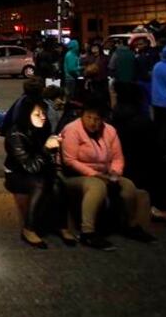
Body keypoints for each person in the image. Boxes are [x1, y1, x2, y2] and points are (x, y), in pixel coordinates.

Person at [60, 98, 157, 250]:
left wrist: (115, 173)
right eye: (89, 117)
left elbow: (118, 157)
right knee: (97, 187)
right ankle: (88, 232)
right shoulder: (72, 130)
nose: (93, 122)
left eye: (97, 119)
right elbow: (70, 160)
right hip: (75, 175)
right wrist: (94, 174)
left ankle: (130, 225)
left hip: (105, 174)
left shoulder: (110, 131)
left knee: (128, 186)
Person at [4, 97, 75, 248]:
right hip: (17, 174)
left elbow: (45, 163)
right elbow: (30, 167)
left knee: (57, 184)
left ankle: (62, 226)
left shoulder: (43, 129)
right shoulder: (15, 135)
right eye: (37, 114)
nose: (43, 117)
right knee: (40, 184)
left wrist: (54, 149)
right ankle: (29, 228)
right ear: (26, 115)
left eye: (43, 113)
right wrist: (46, 150)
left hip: (38, 171)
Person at [110, 82, 166, 223]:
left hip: (119, 167)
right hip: (137, 169)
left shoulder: (114, 118)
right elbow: (155, 151)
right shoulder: (142, 121)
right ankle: (157, 205)